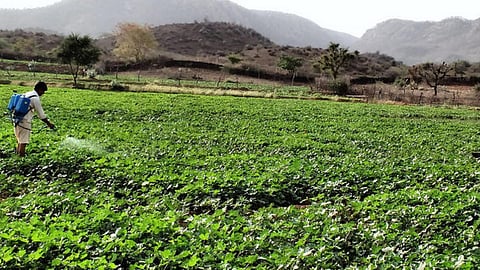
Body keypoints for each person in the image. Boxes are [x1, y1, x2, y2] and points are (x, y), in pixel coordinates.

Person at [14, 81, 55, 157]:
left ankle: (18, 156)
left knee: (20, 140)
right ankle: (21, 159)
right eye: (43, 91)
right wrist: (49, 124)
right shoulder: (35, 98)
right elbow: (41, 114)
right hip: (24, 121)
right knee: (24, 141)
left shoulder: (27, 94)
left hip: (17, 119)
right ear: (39, 89)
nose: (43, 93)